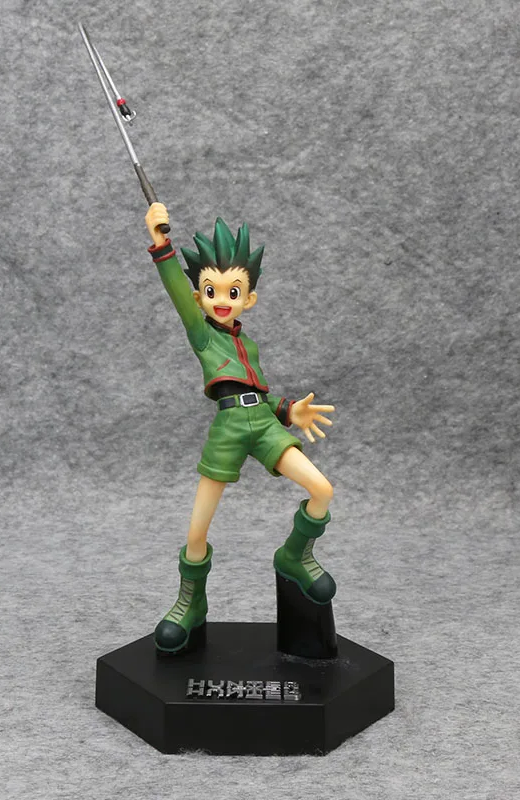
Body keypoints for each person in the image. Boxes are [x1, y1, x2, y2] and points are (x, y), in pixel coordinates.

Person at [145, 202, 336, 653]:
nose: (222, 300)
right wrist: (161, 246)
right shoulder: (202, 334)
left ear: (248, 299)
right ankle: (191, 602)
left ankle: (294, 555)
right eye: (211, 291)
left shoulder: (247, 344)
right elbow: (177, 293)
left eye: (233, 292)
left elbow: (259, 394)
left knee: (322, 490)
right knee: (197, 531)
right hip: (229, 429)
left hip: (264, 424)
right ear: (200, 297)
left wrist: (288, 411)